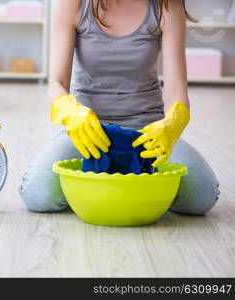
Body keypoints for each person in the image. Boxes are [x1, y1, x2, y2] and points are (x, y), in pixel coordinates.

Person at [19, 0, 219, 215]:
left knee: (201, 197)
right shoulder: (73, 3)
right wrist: (70, 111)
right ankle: (136, 183)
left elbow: (176, 89)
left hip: (148, 133)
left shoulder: (166, 6)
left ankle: (101, 183)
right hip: (88, 132)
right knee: (37, 195)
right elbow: (56, 83)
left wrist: (171, 124)